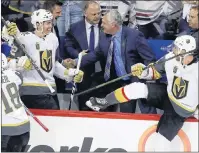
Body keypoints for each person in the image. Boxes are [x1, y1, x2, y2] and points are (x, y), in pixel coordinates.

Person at [86, 35, 198, 151]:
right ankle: (105, 102)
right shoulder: (170, 58)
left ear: (185, 53)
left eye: (177, 49)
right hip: (168, 96)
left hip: (181, 110)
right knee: (138, 88)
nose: (173, 51)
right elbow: (154, 72)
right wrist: (143, 71)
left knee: (160, 143)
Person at [69, 10, 157, 113]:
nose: (101, 25)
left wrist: (145, 74)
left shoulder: (134, 36)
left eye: (104, 23)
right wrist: (76, 62)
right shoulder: (104, 37)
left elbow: (149, 58)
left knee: (148, 112)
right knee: (126, 115)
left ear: (113, 25)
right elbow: (95, 54)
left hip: (139, 80)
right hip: (121, 82)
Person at [3, 9, 84, 110]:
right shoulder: (23, 38)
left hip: (50, 91)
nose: (50, 26)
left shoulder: (53, 39)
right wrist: (20, 63)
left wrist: (69, 73)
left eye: (51, 22)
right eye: (47, 23)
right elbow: (6, 63)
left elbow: (53, 65)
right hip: (31, 93)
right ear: (37, 24)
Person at [1, 52, 30, 152]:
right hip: (23, 127)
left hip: (4, 131)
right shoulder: (14, 75)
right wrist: (15, 63)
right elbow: (20, 80)